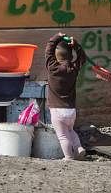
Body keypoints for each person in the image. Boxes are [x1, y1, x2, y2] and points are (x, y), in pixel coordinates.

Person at [45, 32, 87, 160]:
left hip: (57, 110)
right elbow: (82, 58)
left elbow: (48, 51)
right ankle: (79, 148)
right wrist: (77, 46)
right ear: (70, 56)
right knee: (70, 131)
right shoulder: (74, 68)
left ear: (56, 57)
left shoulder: (53, 68)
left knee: (62, 135)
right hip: (71, 110)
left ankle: (68, 157)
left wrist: (56, 37)